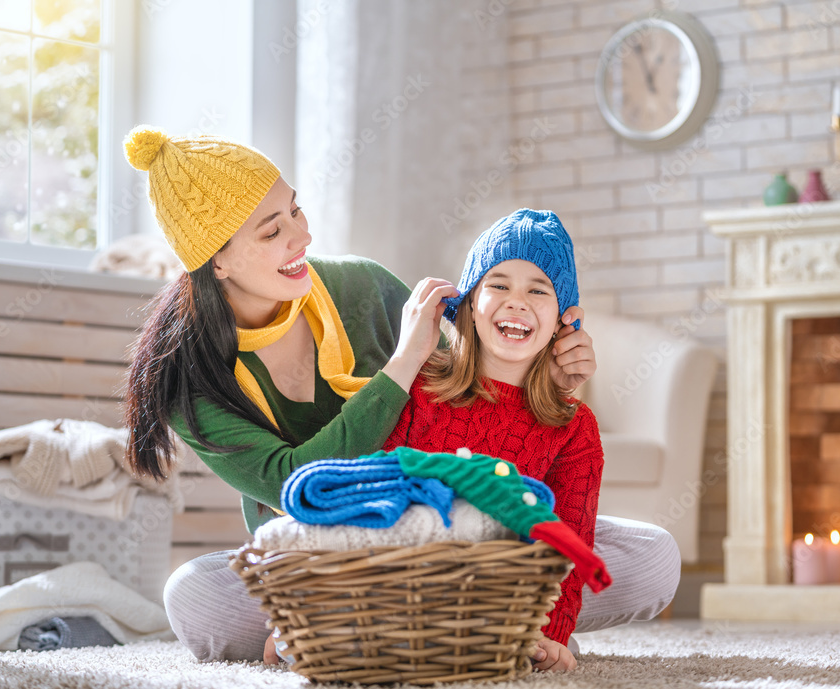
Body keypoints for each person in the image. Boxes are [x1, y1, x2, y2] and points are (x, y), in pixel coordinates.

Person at [121, 126, 679, 666]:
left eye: (296, 210)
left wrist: (546, 372)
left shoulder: (360, 285)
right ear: (215, 261)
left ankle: (450, 627)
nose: (302, 237)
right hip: (333, 555)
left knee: (654, 556)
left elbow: (475, 362)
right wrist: (402, 362)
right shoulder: (190, 382)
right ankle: (467, 628)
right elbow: (295, 485)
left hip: (476, 537)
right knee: (194, 599)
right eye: (272, 232)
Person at [382, 208, 599, 672]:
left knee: (652, 555)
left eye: (538, 290)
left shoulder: (575, 427)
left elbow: (570, 540)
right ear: (469, 304)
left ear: (565, 319)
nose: (517, 302)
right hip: (406, 577)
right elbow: (375, 494)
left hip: (503, 587)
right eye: (498, 284)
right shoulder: (418, 389)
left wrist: (551, 633)